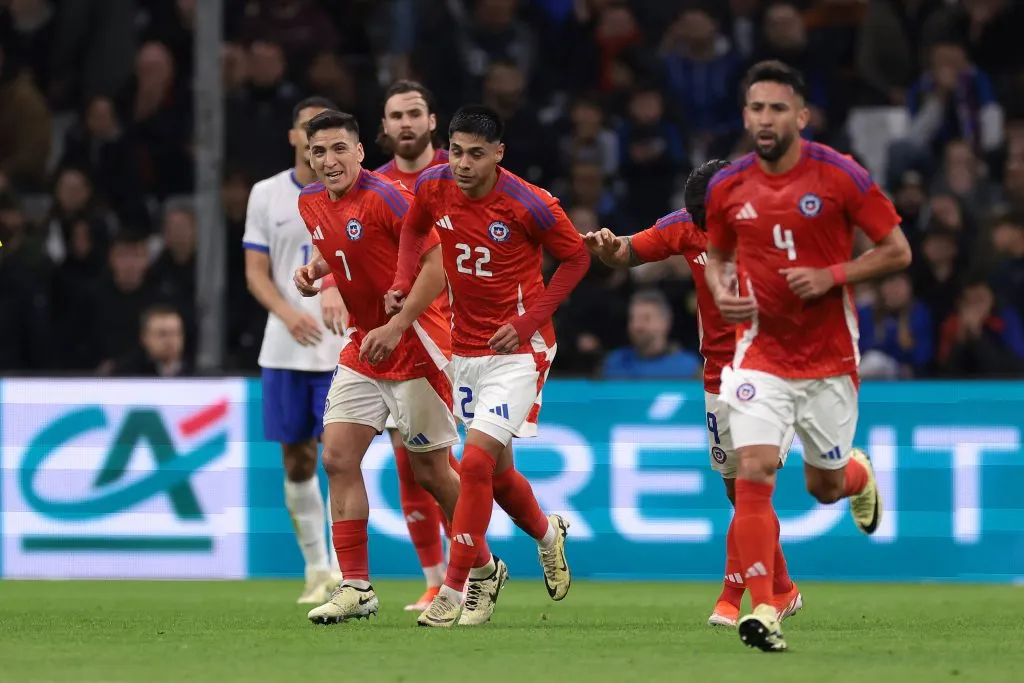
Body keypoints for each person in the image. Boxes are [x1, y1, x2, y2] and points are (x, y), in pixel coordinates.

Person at [703, 60, 912, 652]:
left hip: (828, 360)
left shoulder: (840, 175)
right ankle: (766, 608)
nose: (765, 119)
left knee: (824, 486)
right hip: (759, 355)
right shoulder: (728, 186)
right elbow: (717, 256)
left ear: (802, 116)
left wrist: (832, 275)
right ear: (745, 116)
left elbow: (897, 251)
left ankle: (857, 474)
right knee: (753, 471)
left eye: (777, 108)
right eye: (756, 108)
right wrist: (722, 289)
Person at [390, 105, 590, 627]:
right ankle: (548, 534)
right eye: (456, 152)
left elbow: (576, 258)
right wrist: (402, 280)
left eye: (476, 154)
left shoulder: (530, 202)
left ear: (499, 154)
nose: (463, 164)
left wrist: (528, 323)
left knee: (474, 464)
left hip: (519, 351)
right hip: (464, 350)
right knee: (497, 477)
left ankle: (459, 587)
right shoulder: (433, 186)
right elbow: (413, 229)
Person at [583, 159, 802, 629]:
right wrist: (609, 248)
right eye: (700, 218)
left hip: (773, 368)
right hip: (720, 375)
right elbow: (629, 251)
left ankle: (735, 598)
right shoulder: (686, 225)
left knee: (751, 483)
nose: (707, 227)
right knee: (738, 491)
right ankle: (783, 589)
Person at [293, 110, 463, 625]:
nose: (329, 160)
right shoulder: (310, 201)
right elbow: (347, 245)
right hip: (365, 345)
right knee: (337, 457)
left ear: (361, 152)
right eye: (318, 151)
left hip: (417, 342)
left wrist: (397, 325)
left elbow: (436, 266)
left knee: (432, 473)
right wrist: (316, 270)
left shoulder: (390, 197)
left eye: (339, 148)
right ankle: (356, 587)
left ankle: (478, 568)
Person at [242, 96, 345, 604]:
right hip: (284, 347)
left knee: (340, 458)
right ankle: (316, 569)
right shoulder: (266, 194)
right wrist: (288, 314)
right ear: (293, 136)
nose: (315, 139)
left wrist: (338, 289)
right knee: (298, 461)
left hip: (340, 348)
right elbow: (255, 272)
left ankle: (347, 573)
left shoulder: (354, 193)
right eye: (308, 128)